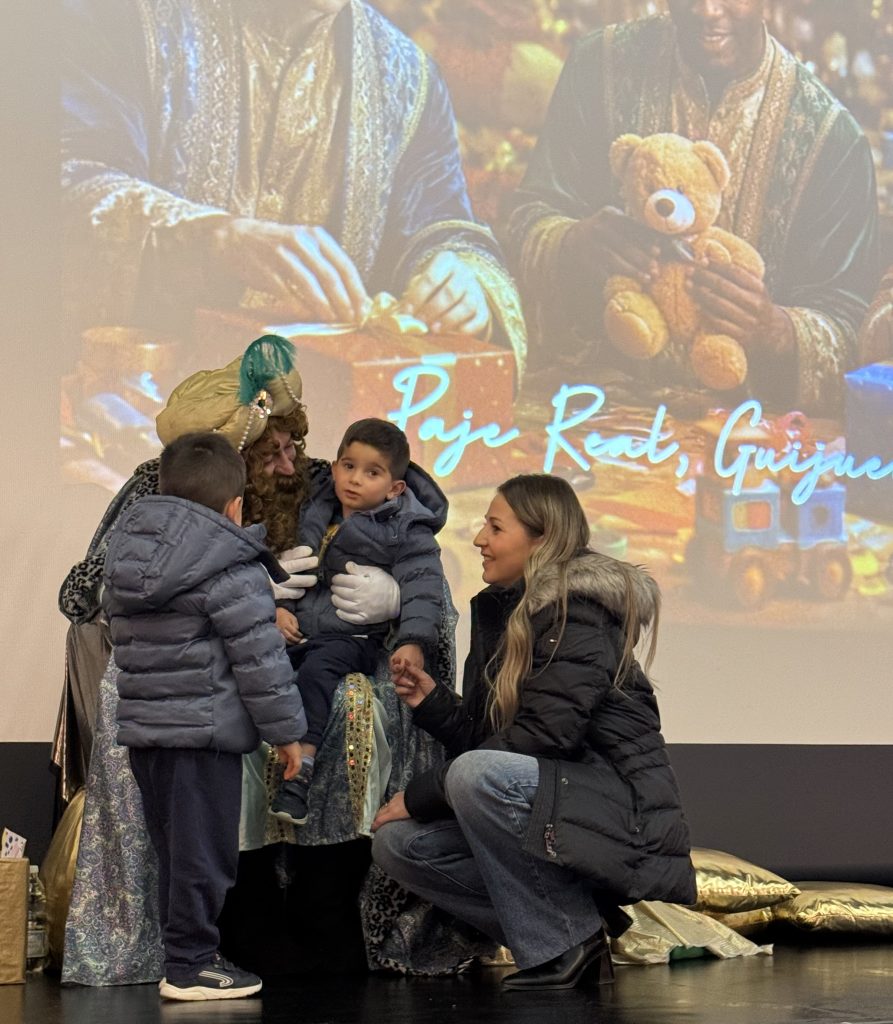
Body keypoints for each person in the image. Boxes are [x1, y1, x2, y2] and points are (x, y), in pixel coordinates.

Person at [57, 336, 471, 984]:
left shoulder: (321, 479)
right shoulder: (160, 485)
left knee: (348, 706)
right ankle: (236, 920)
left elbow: (416, 543)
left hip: (322, 664)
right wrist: (247, 592)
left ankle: (326, 903)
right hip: (212, 680)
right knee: (232, 751)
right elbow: (82, 594)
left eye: (292, 447)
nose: (288, 465)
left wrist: (395, 598)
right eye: (269, 454)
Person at [61, 0, 526, 363]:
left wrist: (464, 289)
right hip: (127, 402)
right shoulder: (126, 17)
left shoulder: (408, 77)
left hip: (318, 423)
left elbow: (444, 232)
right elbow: (55, 184)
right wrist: (210, 236)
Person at [371, 473, 696, 990]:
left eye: (496, 528)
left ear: (541, 538)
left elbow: (544, 737)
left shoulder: (577, 612)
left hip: (617, 813)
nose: (479, 539)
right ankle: (571, 930)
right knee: (400, 845)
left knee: (470, 778)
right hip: (556, 804)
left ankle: (570, 941)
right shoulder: (505, 610)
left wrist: (420, 794)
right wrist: (433, 703)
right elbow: (492, 742)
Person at [504, 0, 878, 415]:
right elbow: (522, 221)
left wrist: (775, 329)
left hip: (741, 430)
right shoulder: (601, 65)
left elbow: (858, 341)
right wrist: (573, 242)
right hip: (586, 405)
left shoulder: (831, 140)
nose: (706, 10)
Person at [103, 431, 306, 1000]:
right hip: (203, 738)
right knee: (205, 857)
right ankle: (190, 966)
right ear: (235, 507)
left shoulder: (127, 557)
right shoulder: (229, 565)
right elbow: (260, 661)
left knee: (176, 853)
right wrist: (289, 734)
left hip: (147, 738)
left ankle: (186, 956)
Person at [270, 418, 447, 827]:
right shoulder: (314, 507)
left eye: (372, 472)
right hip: (300, 630)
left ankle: (302, 770)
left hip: (352, 636)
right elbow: (292, 572)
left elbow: (423, 586)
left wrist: (413, 638)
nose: (355, 479)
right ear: (334, 468)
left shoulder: (405, 528)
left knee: (316, 674)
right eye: (348, 466)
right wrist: (278, 608)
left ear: (395, 488)